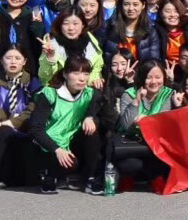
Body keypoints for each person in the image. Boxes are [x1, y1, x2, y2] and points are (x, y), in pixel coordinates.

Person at [27, 54, 102, 193]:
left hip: (72, 141)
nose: (82, 78)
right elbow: (35, 129)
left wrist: (90, 117)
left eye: (86, 74)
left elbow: (96, 111)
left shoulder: (90, 94)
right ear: (65, 74)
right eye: (76, 73)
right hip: (49, 145)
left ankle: (90, 179)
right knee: (64, 164)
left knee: (92, 132)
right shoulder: (50, 94)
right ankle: (49, 176)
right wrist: (57, 149)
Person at [109, 58, 173, 189]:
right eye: (149, 77)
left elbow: (164, 121)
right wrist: (136, 101)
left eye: (158, 77)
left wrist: (146, 121)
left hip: (155, 143)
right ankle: (129, 177)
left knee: (159, 160)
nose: (154, 82)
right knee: (131, 165)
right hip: (132, 141)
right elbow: (126, 125)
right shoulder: (129, 94)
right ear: (142, 78)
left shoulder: (168, 94)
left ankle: (155, 178)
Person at [0, 44, 37, 186]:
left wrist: (11, 122)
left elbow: (32, 109)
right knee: (2, 132)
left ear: (24, 61)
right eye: (8, 58)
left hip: (24, 125)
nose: (13, 62)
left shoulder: (33, 81)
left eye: (18, 58)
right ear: (1, 60)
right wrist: (5, 123)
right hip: (0, 126)